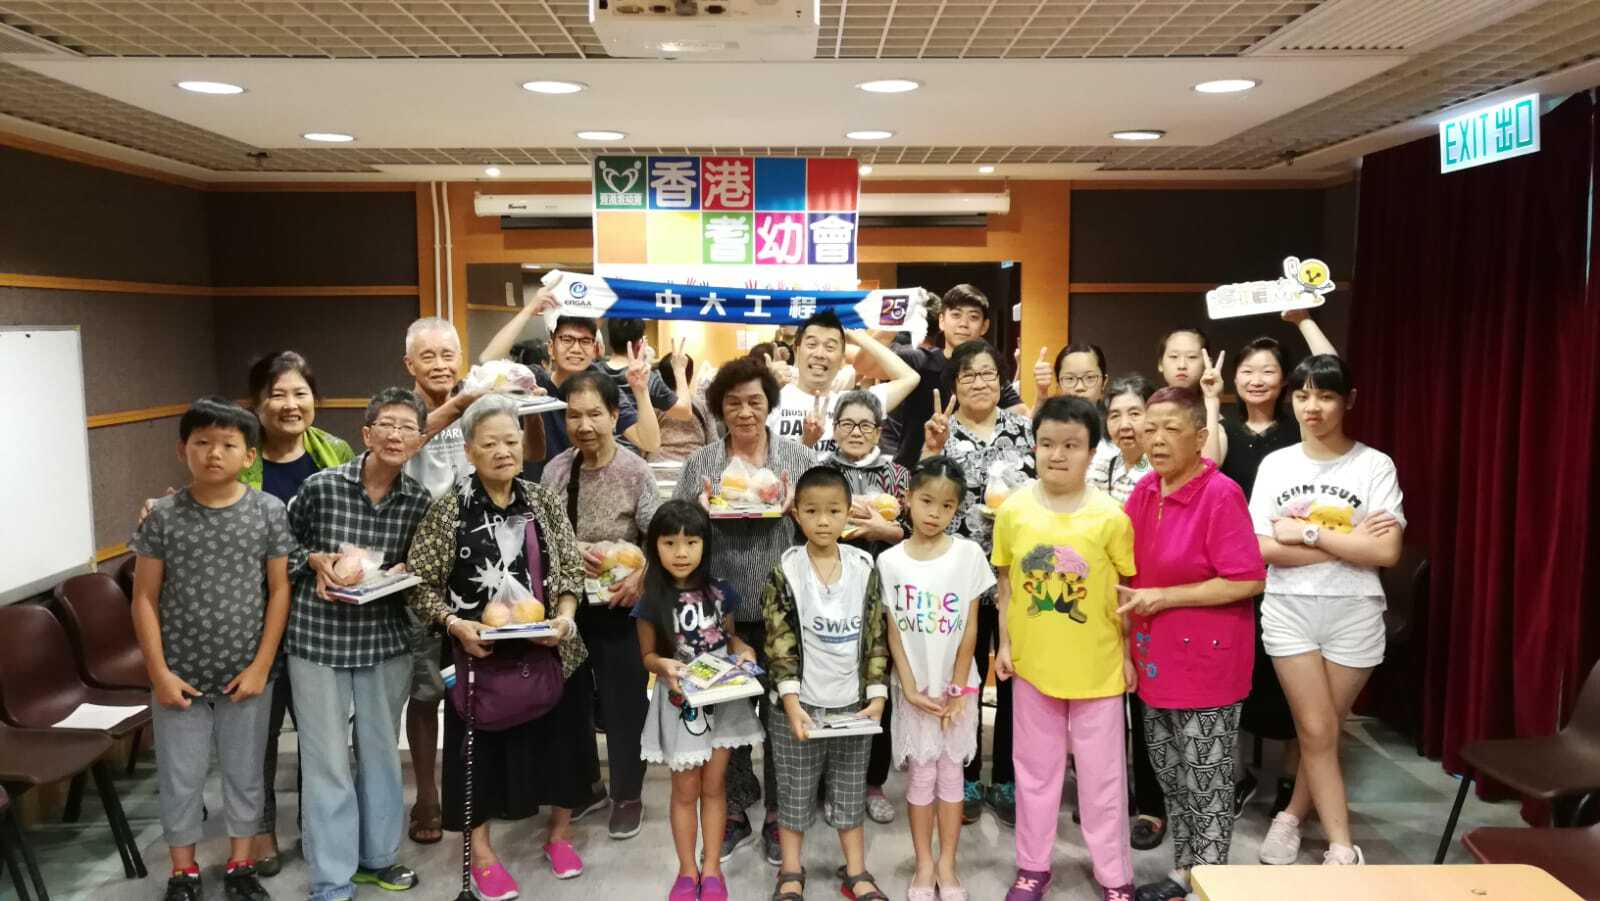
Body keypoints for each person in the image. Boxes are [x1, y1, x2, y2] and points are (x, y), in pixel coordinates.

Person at [406, 393, 590, 896]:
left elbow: (570, 568)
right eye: (489, 443)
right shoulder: (450, 510)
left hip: (550, 649)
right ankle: (482, 851)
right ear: (469, 450)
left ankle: (559, 833)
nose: (503, 451)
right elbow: (420, 584)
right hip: (478, 655)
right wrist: (455, 624)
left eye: (511, 441)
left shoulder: (543, 500)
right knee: (478, 757)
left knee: (562, 746)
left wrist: (566, 618)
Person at [129, 398, 296, 901]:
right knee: (181, 777)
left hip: (247, 673)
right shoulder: (162, 517)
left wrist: (262, 665)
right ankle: (183, 872)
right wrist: (158, 673)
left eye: (228, 444)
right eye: (202, 443)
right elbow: (143, 597)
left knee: (245, 773)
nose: (213, 453)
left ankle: (240, 864)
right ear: (183, 450)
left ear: (250, 455)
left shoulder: (267, 512)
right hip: (177, 674)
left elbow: (280, 591)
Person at [1251, 355, 1404, 867]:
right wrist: (1347, 541)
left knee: (1321, 731)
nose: (1312, 408)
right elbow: (1265, 549)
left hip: (1355, 611)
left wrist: (1310, 532)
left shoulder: (1373, 465)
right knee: (1317, 729)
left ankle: (1291, 815)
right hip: (1290, 609)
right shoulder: (1277, 465)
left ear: (1349, 400)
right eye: (1302, 396)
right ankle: (1343, 848)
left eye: (1326, 396)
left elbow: (1385, 553)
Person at [1116, 386, 1267, 901]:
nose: (1155, 440)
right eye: (1148, 428)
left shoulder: (1219, 493)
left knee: (1207, 778)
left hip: (1208, 662)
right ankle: (1187, 870)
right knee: (1170, 774)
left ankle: (1210, 879)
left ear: (1200, 437)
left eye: (1170, 429)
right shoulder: (1144, 492)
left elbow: (1247, 578)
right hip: (1154, 658)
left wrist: (1166, 596)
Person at [282, 388, 432, 901]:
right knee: (325, 761)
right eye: (386, 425)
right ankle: (330, 876)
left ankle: (378, 858)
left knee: (381, 755)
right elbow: (283, 547)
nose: (396, 435)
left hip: (383, 640)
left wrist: (406, 571)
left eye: (407, 428)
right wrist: (315, 561)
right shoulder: (322, 487)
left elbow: (422, 565)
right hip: (317, 639)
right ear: (366, 434)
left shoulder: (418, 502)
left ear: (419, 441)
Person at [990, 397, 1135, 901]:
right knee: (1034, 774)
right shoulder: (1013, 510)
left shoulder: (1111, 516)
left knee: (1102, 779)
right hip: (1034, 668)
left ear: (1092, 451)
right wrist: (1005, 646)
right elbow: (1005, 584)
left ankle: (1114, 873)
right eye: (1048, 443)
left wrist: (1130, 657)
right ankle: (1032, 867)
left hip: (1099, 670)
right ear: (1034, 446)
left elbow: (1125, 595)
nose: (1057, 454)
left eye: (1071, 445)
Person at [672, 355, 815, 864]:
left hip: (784, 611)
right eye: (733, 403)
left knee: (782, 712)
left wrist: (801, 510)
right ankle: (733, 806)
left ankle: (780, 812)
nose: (745, 412)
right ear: (719, 409)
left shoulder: (797, 460)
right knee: (725, 714)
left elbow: (824, 529)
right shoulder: (702, 465)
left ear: (770, 404)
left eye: (755, 401)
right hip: (717, 613)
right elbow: (678, 531)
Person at [1199, 310, 1339, 817]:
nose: (1256, 379)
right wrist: (1212, 400)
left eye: (1268, 371)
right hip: (1234, 571)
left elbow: (1330, 369)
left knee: (1295, 687)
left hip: (1295, 567)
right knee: (1234, 676)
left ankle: (1289, 781)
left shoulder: (1303, 428)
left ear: (1286, 381)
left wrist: (1302, 320)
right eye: (1247, 371)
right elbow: (1208, 464)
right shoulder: (1226, 427)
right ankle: (1237, 775)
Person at [236, 351, 356, 873]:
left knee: (320, 731)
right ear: (257, 402)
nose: (290, 405)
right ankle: (259, 829)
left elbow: (353, 524)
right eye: (277, 394)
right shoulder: (241, 457)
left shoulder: (335, 450)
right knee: (257, 730)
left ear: (315, 399)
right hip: (255, 617)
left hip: (319, 617)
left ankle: (317, 825)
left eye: (300, 393)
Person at [541, 371, 661, 840]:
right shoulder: (556, 470)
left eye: (595, 414)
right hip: (567, 607)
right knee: (569, 701)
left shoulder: (635, 471)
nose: (584, 424)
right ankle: (585, 786)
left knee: (623, 702)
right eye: (573, 415)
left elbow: (660, 536)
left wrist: (641, 575)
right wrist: (570, 551)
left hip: (620, 603)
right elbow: (542, 535)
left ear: (614, 416)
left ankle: (627, 792)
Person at [921, 338, 1034, 826]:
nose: (980, 383)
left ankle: (1007, 777)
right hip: (959, 575)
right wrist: (930, 450)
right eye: (968, 375)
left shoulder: (1025, 429)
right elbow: (920, 497)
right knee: (963, 676)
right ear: (954, 384)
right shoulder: (942, 433)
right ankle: (963, 774)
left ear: (1002, 380)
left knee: (1013, 679)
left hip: (1018, 575)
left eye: (989, 373)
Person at [763, 467, 890, 901]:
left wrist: (876, 697)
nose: (822, 521)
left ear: (848, 513)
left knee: (850, 789)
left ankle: (855, 870)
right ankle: (791, 870)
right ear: (796, 513)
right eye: (812, 511)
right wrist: (792, 702)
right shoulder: (786, 569)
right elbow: (778, 641)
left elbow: (876, 632)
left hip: (852, 706)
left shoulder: (863, 565)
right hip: (797, 706)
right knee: (795, 790)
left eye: (833, 511)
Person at [633, 500, 764, 901]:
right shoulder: (651, 597)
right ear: (654, 546)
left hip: (723, 701)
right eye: (670, 542)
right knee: (684, 789)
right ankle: (686, 871)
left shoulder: (720, 590)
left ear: (705, 545)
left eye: (691, 542)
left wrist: (744, 651)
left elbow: (730, 637)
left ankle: (711, 870)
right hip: (680, 705)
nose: (681, 552)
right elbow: (648, 657)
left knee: (714, 786)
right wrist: (664, 667)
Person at [879, 456, 994, 901]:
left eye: (945, 506)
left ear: (956, 510)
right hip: (913, 690)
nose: (933, 512)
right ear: (908, 499)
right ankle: (923, 864)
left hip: (955, 692)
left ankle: (948, 863)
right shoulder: (889, 562)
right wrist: (908, 687)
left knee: (951, 778)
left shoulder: (967, 554)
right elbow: (893, 632)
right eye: (926, 500)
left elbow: (970, 627)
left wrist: (960, 687)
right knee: (920, 779)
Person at [399, 317, 482, 847]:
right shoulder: (399, 412)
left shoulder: (476, 410)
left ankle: (474, 787)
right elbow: (398, 449)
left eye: (448, 354)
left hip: (478, 569)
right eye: (427, 356)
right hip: (419, 574)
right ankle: (427, 792)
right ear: (409, 364)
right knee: (426, 689)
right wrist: (456, 407)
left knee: (480, 686)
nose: (440, 365)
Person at [820, 389, 910, 822]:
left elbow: (914, 534)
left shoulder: (896, 476)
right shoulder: (819, 469)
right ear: (834, 428)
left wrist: (883, 528)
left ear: (878, 431)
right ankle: (828, 779)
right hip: (828, 592)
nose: (856, 432)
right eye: (847, 424)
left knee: (878, 683)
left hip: (882, 594)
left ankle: (873, 782)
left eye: (866, 425)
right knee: (829, 682)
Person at [1084, 373, 1165, 850]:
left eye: (1135, 413)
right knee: (1106, 708)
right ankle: (1108, 799)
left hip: (1150, 599)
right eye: (1115, 415)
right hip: (1102, 601)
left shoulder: (1162, 469)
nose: (1125, 424)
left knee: (1146, 705)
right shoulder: (1102, 465)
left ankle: (1152, 804)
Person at [857, 284, 1028, 468]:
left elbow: (1022, 419)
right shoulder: (918, 361)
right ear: (941, 321)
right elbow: (864, 365)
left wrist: (1041, 393)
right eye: (955, 315)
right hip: (913, 473)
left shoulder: (987, 375)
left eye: (973, 317)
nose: (963, 323)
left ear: (985, 326)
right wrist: (892, 323)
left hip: (967, 478)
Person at [765, 310, 919, 457]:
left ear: (842, 358)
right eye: (812, 345)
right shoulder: (773, 400)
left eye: (830, 347)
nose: (820, 354)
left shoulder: (853, 404)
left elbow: (909, 378)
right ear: (796, 350)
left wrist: (860, 338)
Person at [600, 317, 693, 424]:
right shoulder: (647, 378)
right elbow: (685, 412)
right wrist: (679, 370)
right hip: (639, 440)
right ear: (640, 344)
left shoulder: (593, 371)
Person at [652, 346, 717, 463]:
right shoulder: (702, 405)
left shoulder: (653, 405)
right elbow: (713, 443)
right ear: (690, 375)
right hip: (696, 466)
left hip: (658, 465)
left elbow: (644, 443)